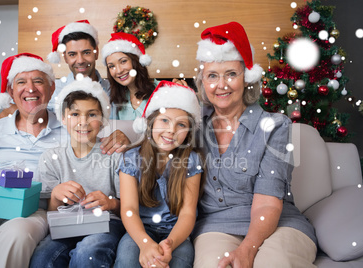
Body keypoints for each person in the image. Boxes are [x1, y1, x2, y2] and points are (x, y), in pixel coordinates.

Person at [192, 22, 317, 268]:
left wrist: (247, 250)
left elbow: (268, 202)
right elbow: (156, 137)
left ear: (247, 78)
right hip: (215, 227)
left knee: (272, 264)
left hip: (278, 224)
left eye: (231, 74)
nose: (222, 85)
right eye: (212, 76)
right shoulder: (192, 125)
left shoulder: (275, 126)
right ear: (203, 82)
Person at [0, 53, 68, 268]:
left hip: (35, 210)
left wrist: (119, 139)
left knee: (17, 234)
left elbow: (97, 156)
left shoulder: (72, 129)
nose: (30, 89)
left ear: (51, 88)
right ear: (11, 91)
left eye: (38, 81)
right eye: (21, 82)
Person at [29, 77, 125, 267]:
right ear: (63, 118)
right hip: (65, 225)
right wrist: (56, 196)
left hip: (107, 223)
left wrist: (110, 202)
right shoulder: (51, 158)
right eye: (75, 114)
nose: (83, 122)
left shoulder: (114, 155)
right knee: (42, 257)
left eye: (92, 115)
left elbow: (130, 207)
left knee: (87, 252)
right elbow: (49, 213)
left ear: (103, 120)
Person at [0, 20, 129, 155]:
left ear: (96, 52)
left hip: (102, 158)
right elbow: (8, 112)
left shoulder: (116, 89)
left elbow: (133, 126)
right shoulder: (50, 90)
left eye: (86, 52)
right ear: (65, 57)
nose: (80, 60)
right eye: (72, 54)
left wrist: (123, 135)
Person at [114, 80, 205, 268]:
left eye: (181, 125)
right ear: (150, 123)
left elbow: (188, 213)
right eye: (164, 120)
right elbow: (129, 209)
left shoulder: (192, 160)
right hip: (140, 231)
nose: (171, 130)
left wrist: (170, 244)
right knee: (126, 261)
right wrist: (146, 244)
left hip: (176, 233)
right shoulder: (131, 159)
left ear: (188, 133)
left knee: (178, 263)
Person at [101, 32, 156, 120]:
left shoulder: (161, 90)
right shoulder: (117, 99)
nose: (119, 71)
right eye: (112, 66)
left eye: (123, 61)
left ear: (136, 61)